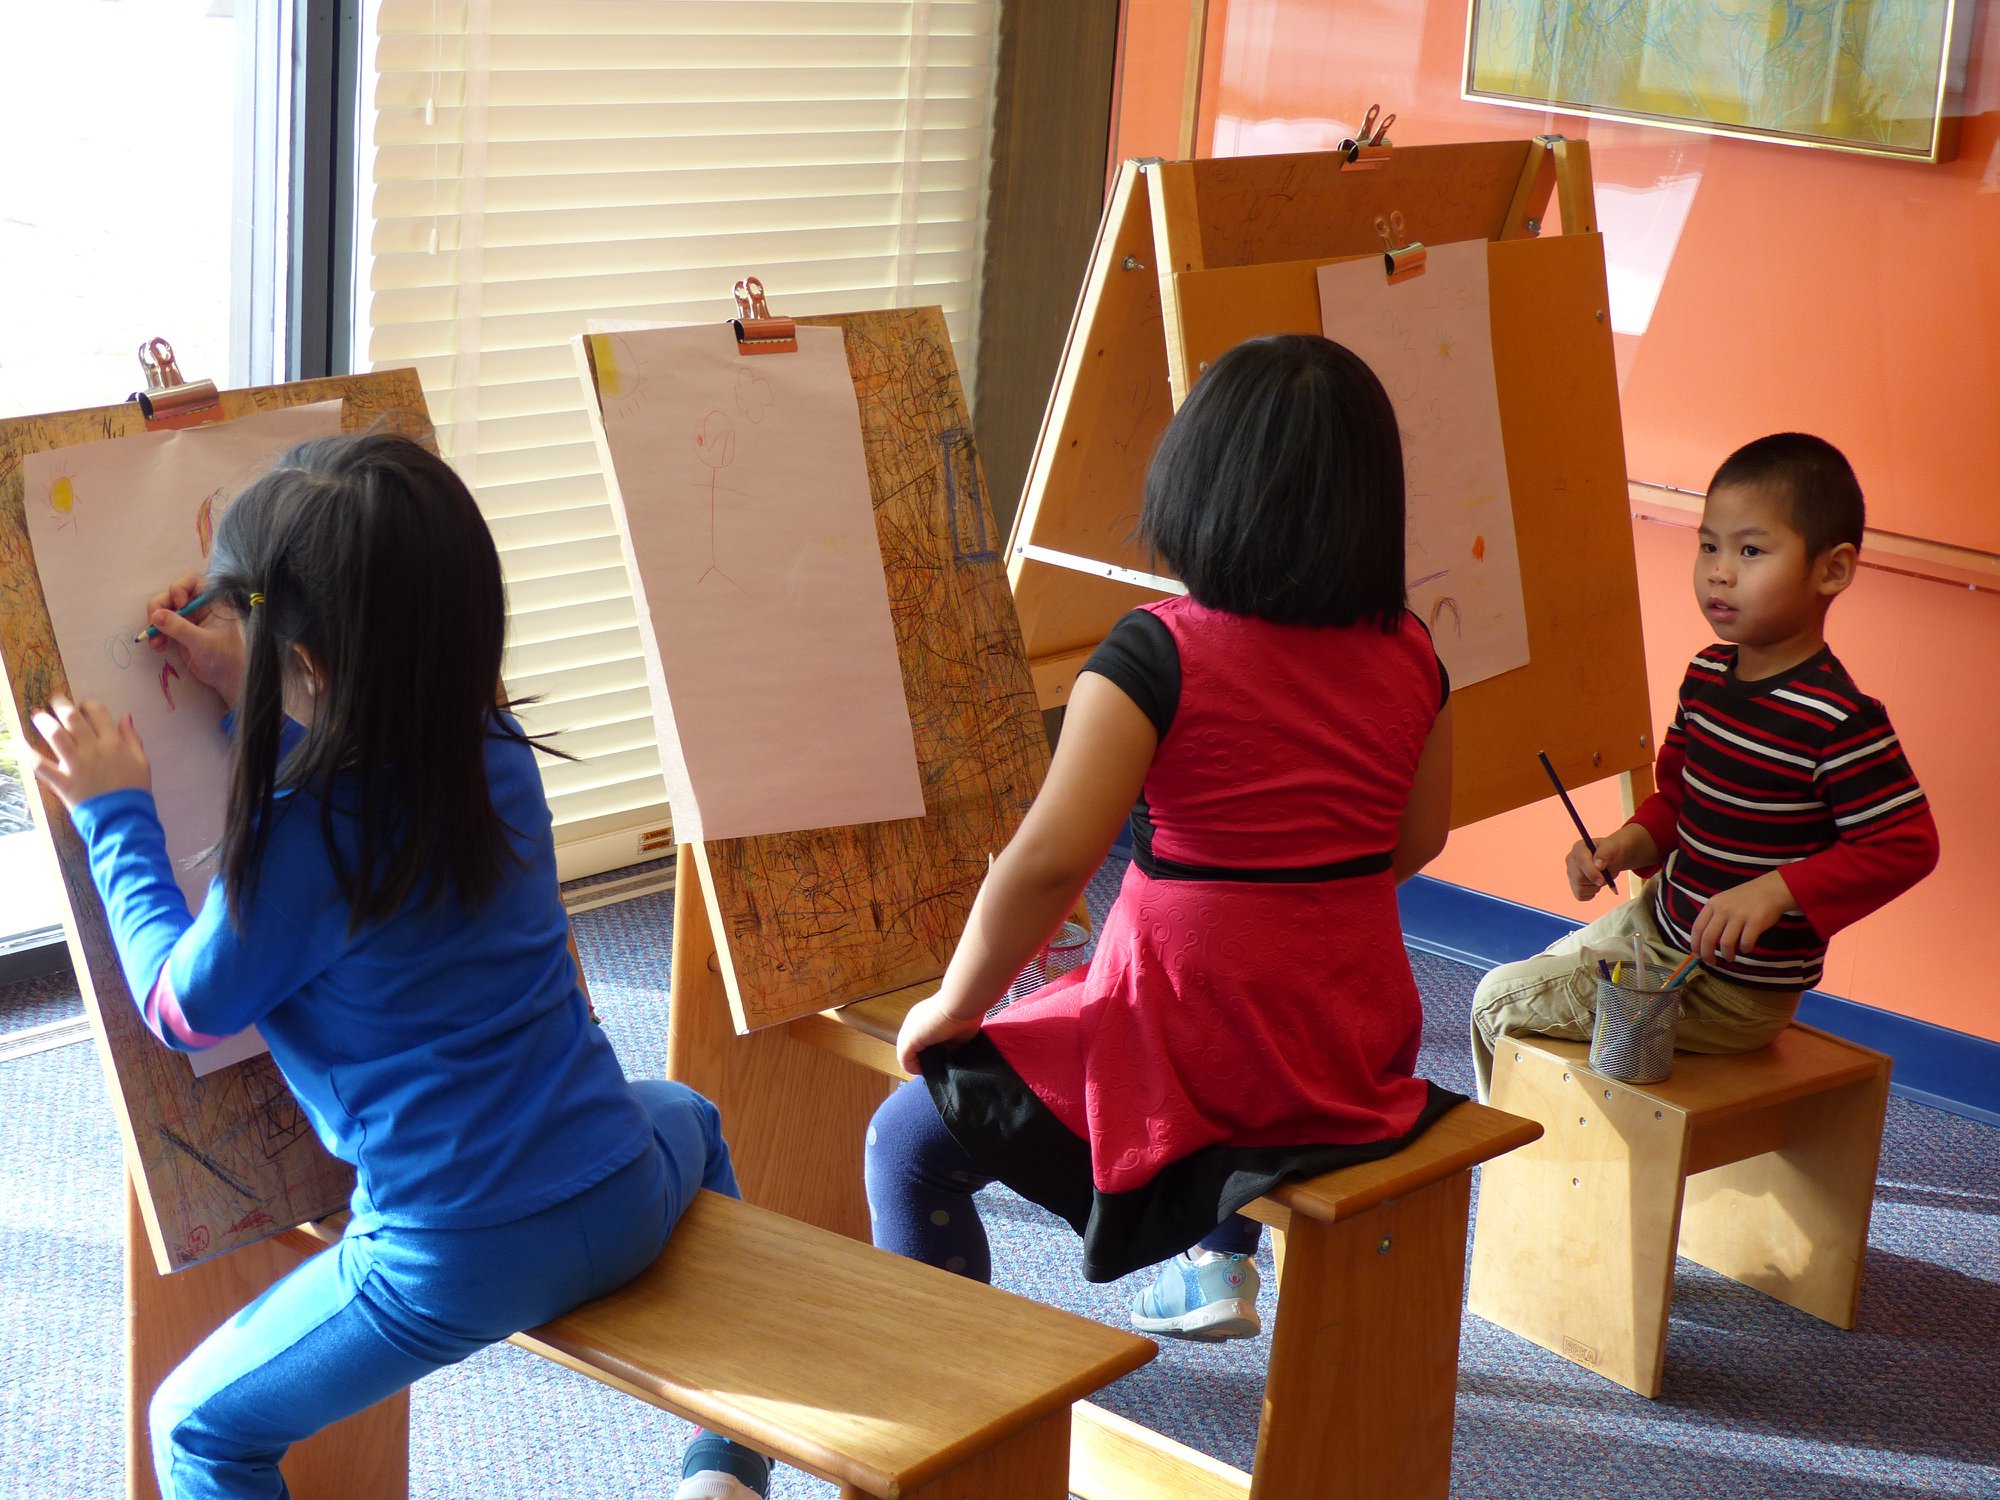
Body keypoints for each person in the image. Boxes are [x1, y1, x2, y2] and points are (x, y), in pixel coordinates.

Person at [26, 433, 770, 1500]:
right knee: (690, 1112)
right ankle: (726, 1469)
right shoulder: (495, 746)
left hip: (450, 1256)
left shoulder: (298, 842)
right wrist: (251, 680)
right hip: (621, 1188)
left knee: (194, 1428)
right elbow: (365, 751)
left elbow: (181, 1007)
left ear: (310, 660)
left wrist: (112, 815)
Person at [864, 334, 1462, 1341]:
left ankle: (946, 1398)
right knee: (1221, 1061)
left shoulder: (1154, 653)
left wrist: (953, 1003)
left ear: (1194, 488)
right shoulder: (1413, 653)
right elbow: (1417, 841)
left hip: (1183, 1033)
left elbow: (1051, 861)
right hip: (1345, 1041)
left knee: (906, 1145)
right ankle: (1219, 1253)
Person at [1468, 433, 1940, 1102]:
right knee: (1532, 974)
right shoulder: (1706, 673)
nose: (1719, 570)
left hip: (1733, 991)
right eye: (1708, 545)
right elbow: (1677, 802)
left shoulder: (1840, 719)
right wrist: (1625, 844)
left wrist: (1776, 890)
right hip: (1659, 924)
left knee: (1496, 1004)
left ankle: (1517, 1170)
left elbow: (1907, 846)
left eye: (1750, 550)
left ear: (1831, 570)